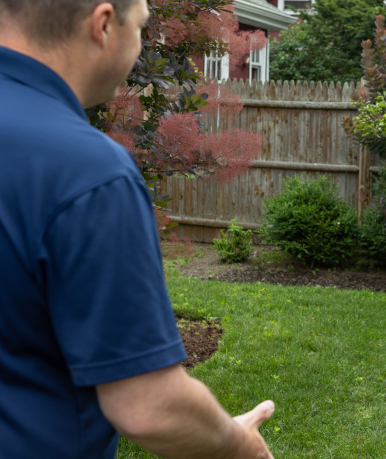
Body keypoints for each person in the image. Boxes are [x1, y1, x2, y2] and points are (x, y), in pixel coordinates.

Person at [0, 1, 275, 458]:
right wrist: (235, 444)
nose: (142, 41)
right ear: (104, 24)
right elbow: (148, 406)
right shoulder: (86, 171)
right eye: (143, 27)